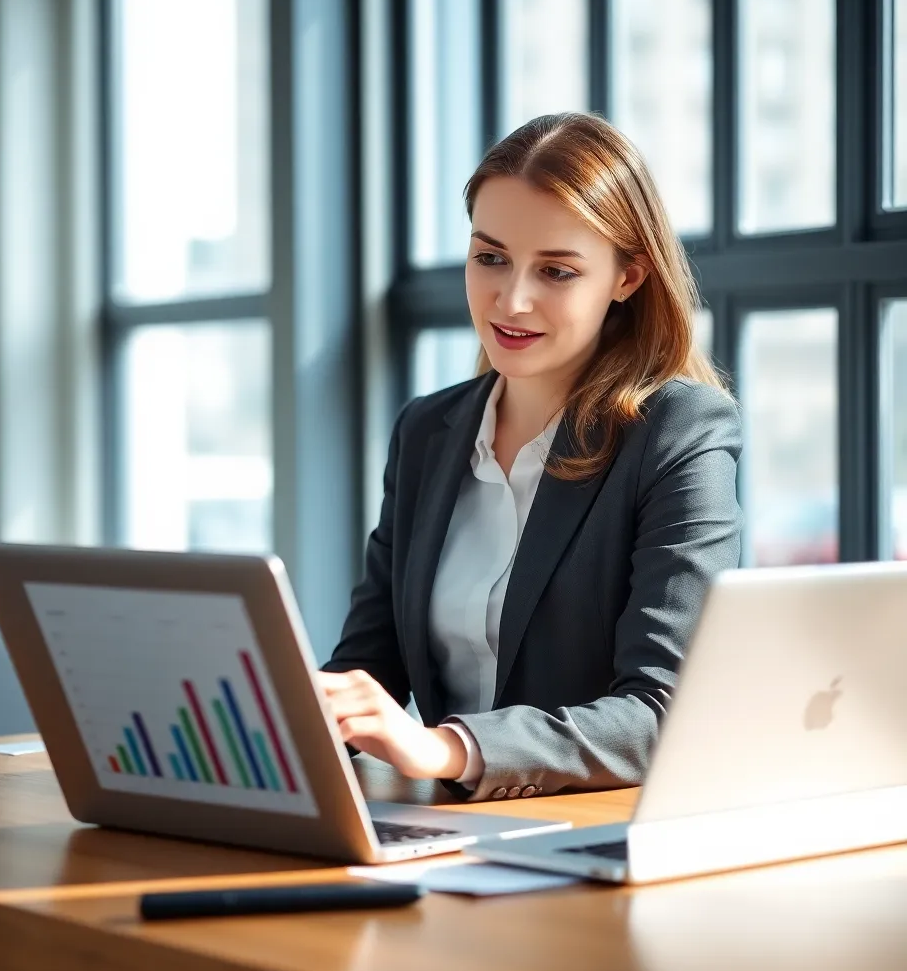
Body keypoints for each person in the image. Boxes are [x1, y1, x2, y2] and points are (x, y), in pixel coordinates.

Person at [318, 112, 742, 802]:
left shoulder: (679, 432)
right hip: (444, 832)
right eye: (490, 257)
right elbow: (371, 665)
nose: (511, 299)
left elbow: (663, 714)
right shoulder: (429, 431)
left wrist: (445, 747)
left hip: (593, 838)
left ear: (628, 276)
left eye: (556, 270)